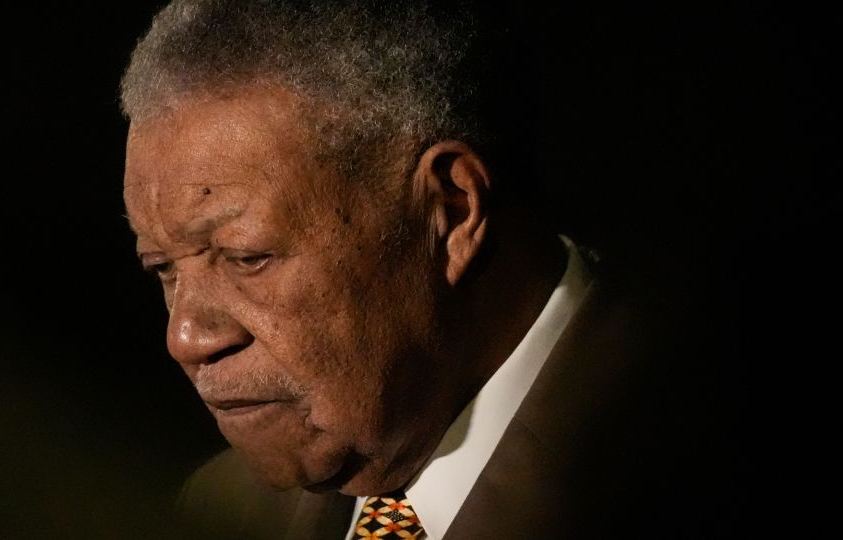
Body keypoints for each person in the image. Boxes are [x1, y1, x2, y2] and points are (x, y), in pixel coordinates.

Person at [121, 1, 736, 538]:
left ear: (451, 212)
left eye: (247, 257)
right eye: (162, 269)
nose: (185, 338)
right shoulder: (214, 513)